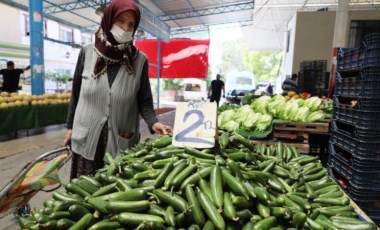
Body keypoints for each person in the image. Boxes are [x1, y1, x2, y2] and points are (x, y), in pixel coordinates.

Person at [63, 0, 172, 179]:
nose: (125, 28)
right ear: (109, 19)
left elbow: (144, 100)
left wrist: (154, 122)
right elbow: (76, 93)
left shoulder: (139, 60)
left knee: (114, 196)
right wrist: (69, 127)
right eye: (120, 21)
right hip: (86, 138)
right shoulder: (87, 52)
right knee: (82, 196)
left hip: (120, 141)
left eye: (131, 25)